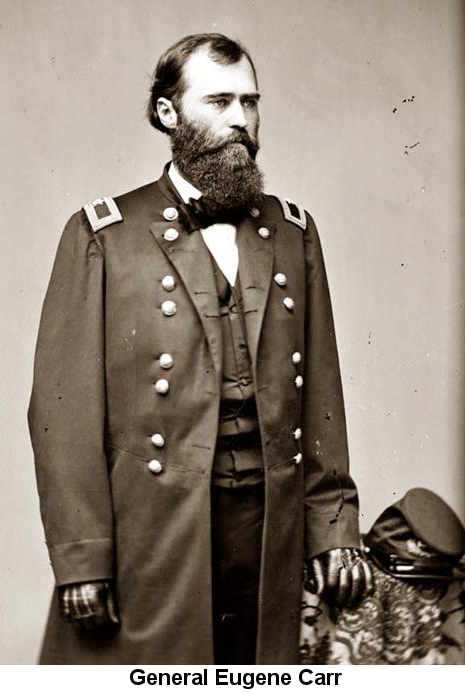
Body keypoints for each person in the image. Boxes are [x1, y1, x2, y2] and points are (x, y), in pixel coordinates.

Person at [28, 33, 373, 665]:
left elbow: (322, 395)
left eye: (250, 102)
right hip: (155, 528)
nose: (241, 120)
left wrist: (334, 528)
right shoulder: (103, 235)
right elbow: (61, 413)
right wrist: (82, 553)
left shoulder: (293, 232)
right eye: (219, 101)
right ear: (168, 114)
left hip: (270, 523)